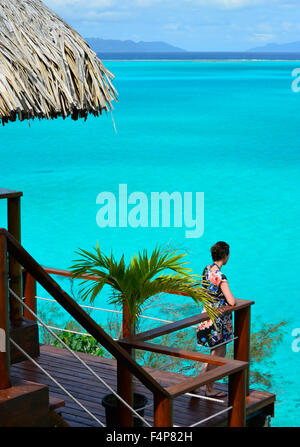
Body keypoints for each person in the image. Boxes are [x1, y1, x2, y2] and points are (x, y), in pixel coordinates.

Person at [196, 241, 236, 398]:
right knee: (218, 354)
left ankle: (198, 384)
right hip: (218, 321)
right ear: (225, 256)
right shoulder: (220, 276)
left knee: (213, 354)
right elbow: (231, 301)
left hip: (207, 316)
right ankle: (208, 388)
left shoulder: (206, 270)